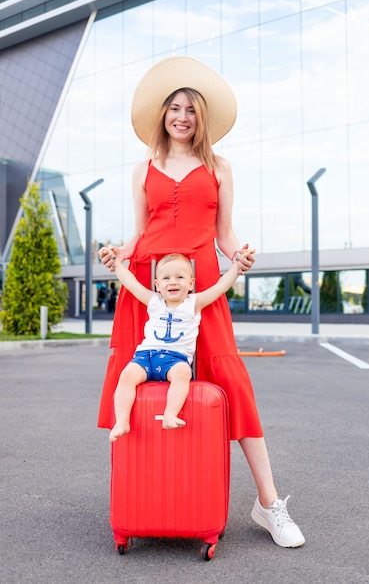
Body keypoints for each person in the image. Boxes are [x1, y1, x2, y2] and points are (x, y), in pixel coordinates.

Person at [98, 56, 305, 548]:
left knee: (233, 386)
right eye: (175, 108)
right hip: (148, 291)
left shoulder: (219, 167)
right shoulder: (142, 167)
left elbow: (225, 234)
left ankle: (269, 504)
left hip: (203, 291)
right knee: (141, 392)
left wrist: (241, 255)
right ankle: (152, 498)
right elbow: (141, 233)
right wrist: (119, 252)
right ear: (163, 115)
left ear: (201, 117)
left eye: (191, 109)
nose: (183, 116)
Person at [103, 249, 245, 439]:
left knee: (183, 374)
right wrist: (117, 264)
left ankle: (170, 414)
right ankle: (122, 421)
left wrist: (238, 266)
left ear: (190, 283)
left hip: (175, 359)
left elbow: (220, 287)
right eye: (166, 278)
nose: (173, 282)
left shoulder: (194, 302)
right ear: (157, 285)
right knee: (127, 376)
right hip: (146, 355)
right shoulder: (154, 301)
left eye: (180, 277)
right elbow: (130, 283)